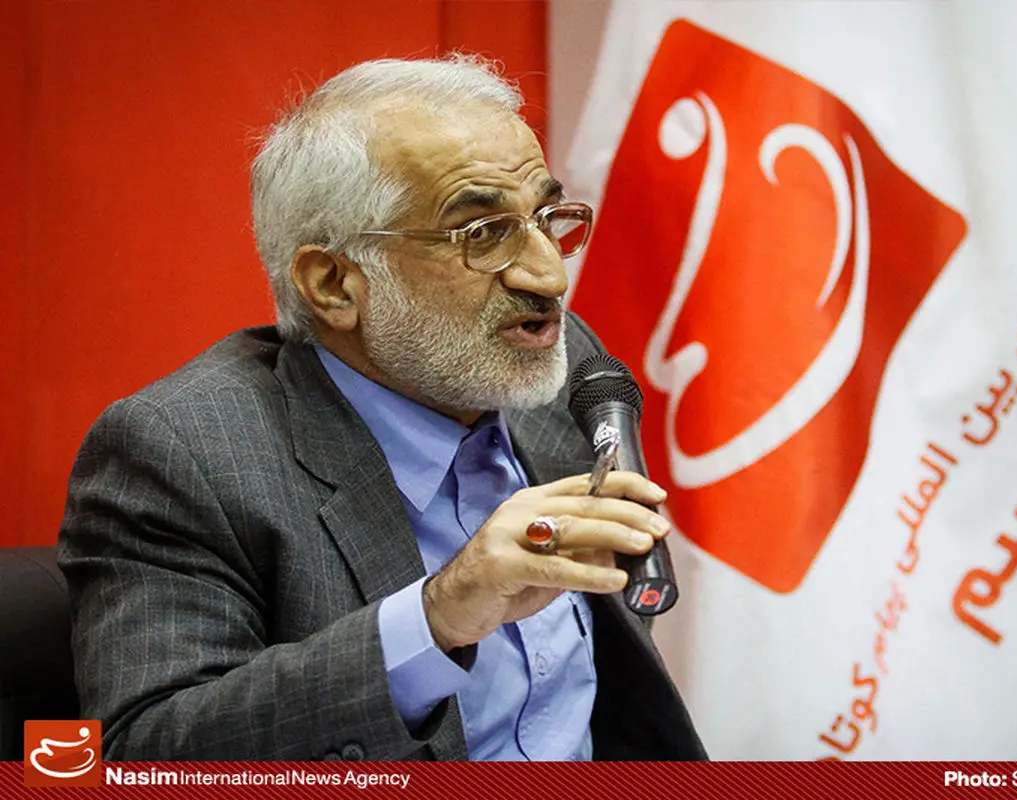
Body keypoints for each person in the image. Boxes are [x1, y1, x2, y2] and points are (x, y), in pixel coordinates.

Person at [57, 55, 706, 762]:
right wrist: (437, 617)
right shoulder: (187, 452)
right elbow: (136, 754)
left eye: (547, 218)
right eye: (482, 233)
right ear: (334, 284)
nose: (550, 275)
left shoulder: (554, 367)